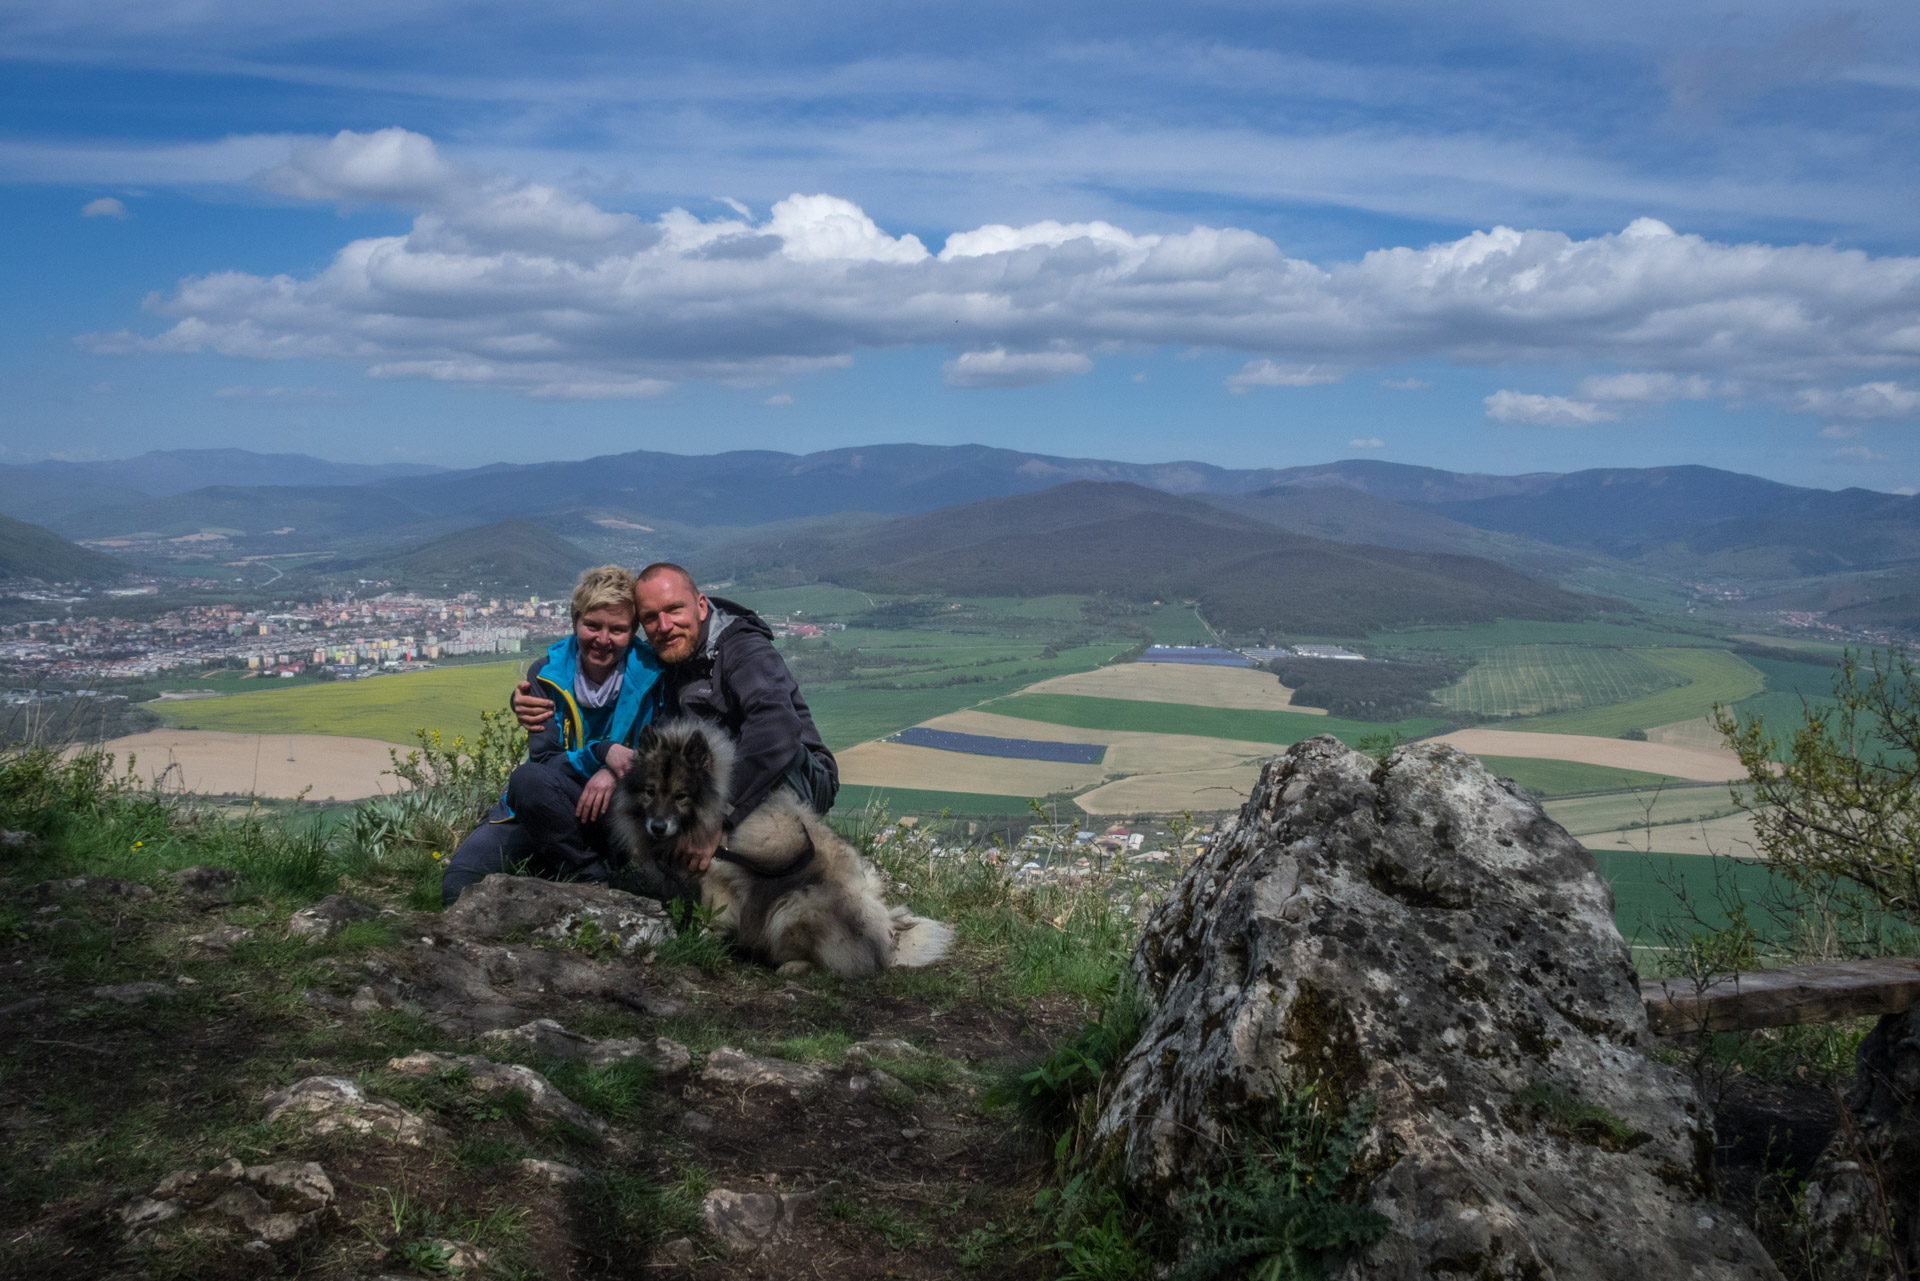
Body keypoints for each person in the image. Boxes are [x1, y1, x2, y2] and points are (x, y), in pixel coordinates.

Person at [512, 562, 836, 873]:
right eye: (651, 617)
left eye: (674, 609)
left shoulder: (744, 651)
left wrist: (722, 818)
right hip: (709, 787)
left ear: (701, 606)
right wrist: (523, 700)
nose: (664, 626)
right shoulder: (668, 655)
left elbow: (776, 730)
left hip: (795, 776)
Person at [439, 565, 663, 905]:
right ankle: (571, 859)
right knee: (458, 887)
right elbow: (546, 763)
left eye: (617, 629)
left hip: (620, 810)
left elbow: (663, 756)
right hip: (549, 803)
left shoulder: (654, 675)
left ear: (633, 632)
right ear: (575, 621)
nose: (603, 640)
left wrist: (613, 774)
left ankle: (588, 877)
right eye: (592, 625)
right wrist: (601, 753)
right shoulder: (546, 676)